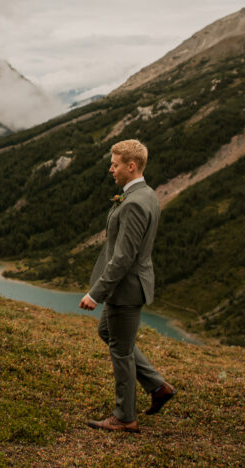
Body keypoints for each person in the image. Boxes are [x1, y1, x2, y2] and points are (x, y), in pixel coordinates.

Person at [79, 139, 176, 433]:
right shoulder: (145, 194)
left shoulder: (133, 203)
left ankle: (125, 416)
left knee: (120, 350)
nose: (111, 169)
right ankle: (157, 387)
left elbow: (123, 258)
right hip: (132, 284)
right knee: (107, 331)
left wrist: (96, 293)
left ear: (131, 166)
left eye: (116, 164)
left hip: (126, 288)